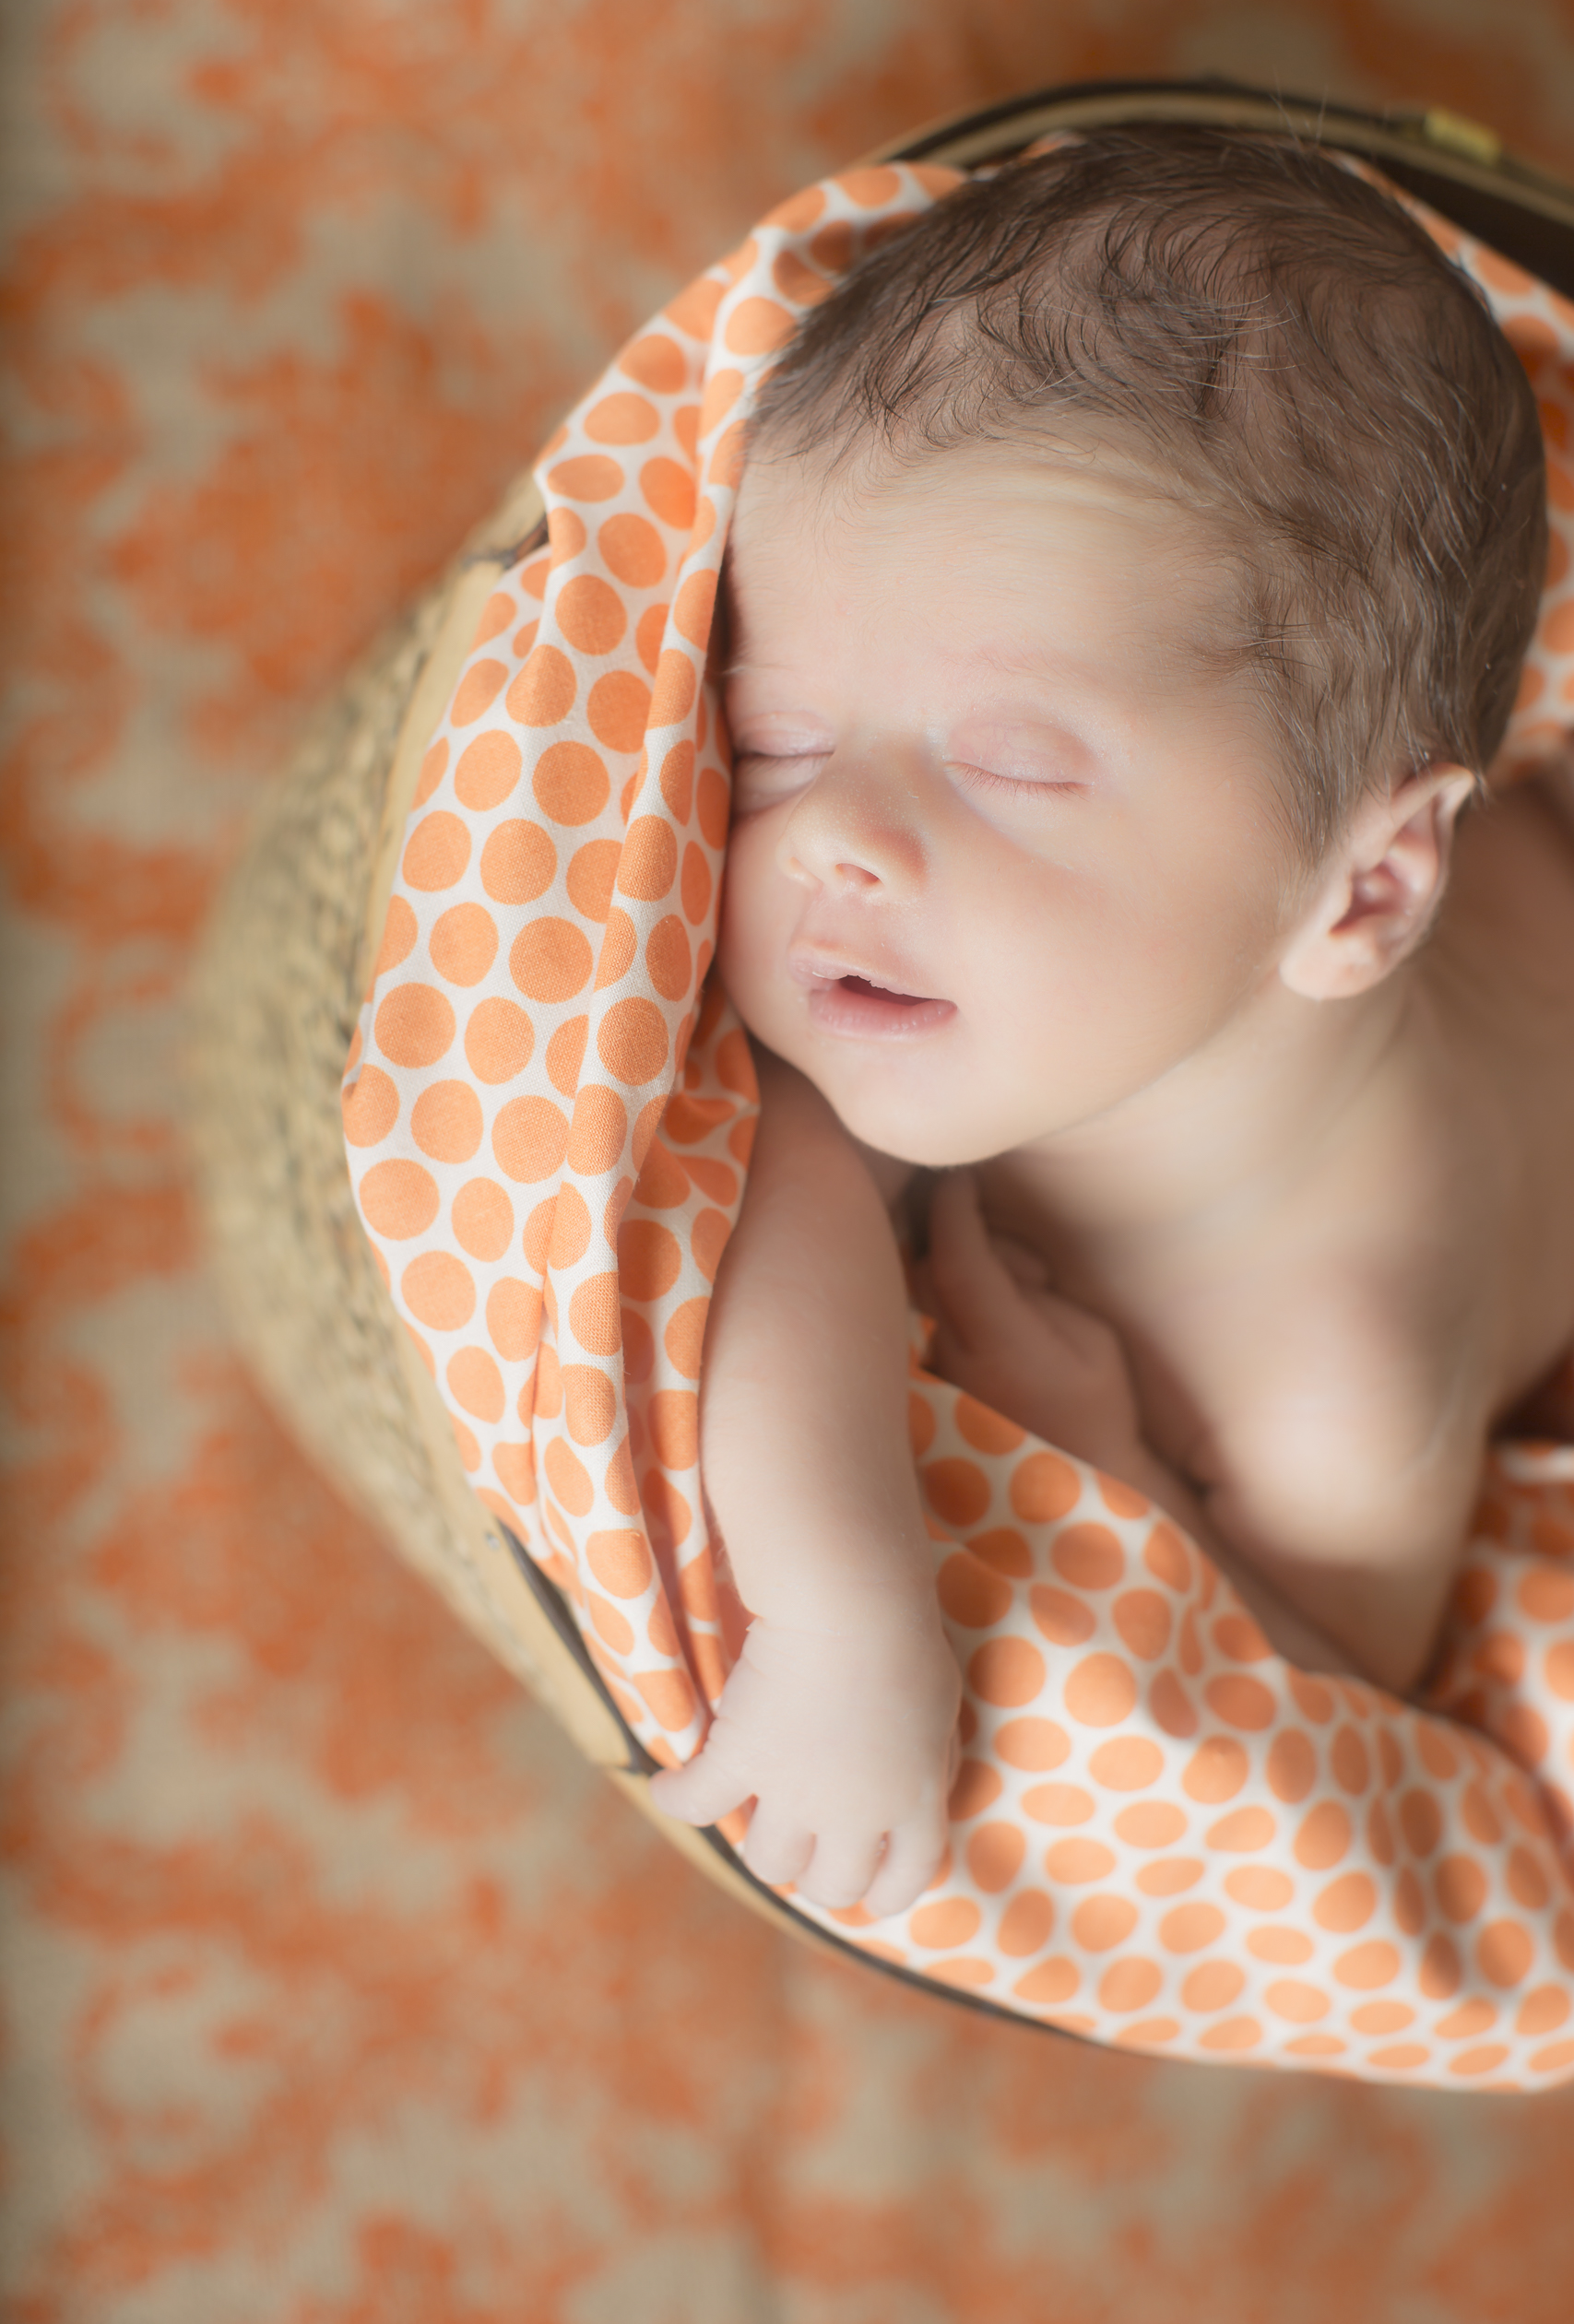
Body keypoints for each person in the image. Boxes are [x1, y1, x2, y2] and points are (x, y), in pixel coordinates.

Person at [647, 128, 1567, 1924]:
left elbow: (1323, 1690)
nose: (826, 837)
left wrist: (1122, 1466)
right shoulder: (970, 980)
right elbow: (765, 1177)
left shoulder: (1328, 1357)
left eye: (1006, 769)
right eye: (777, 742)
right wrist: (844, 1609)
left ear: (1355, 893)